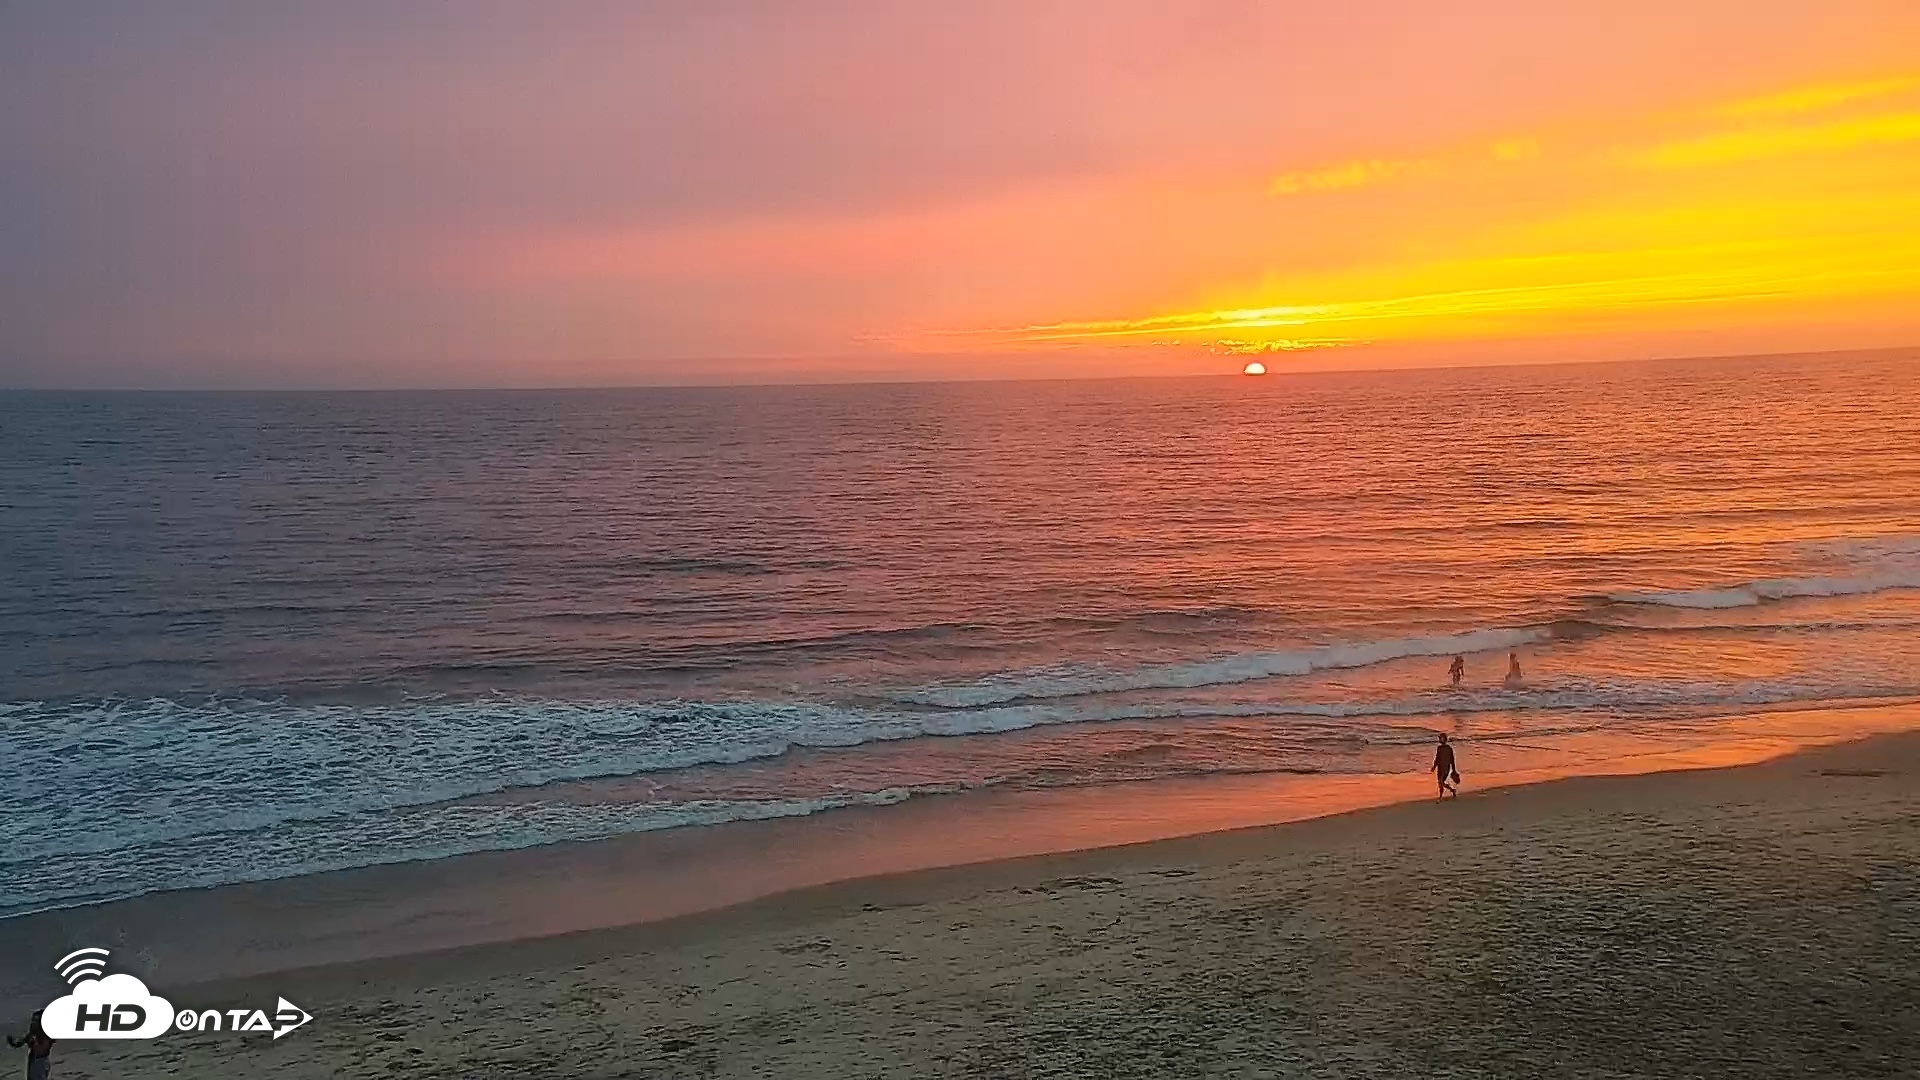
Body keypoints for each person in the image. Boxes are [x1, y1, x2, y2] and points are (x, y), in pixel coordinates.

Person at [8, 1009, 51, 1080]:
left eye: (35, 1021)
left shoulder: (45, 1035)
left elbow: (42, 1047)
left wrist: (33, 1041)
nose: (32, 1023)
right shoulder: (36, 1034)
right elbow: (21, 1042)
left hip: (40, 1061)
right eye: (33, 1021)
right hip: (36, 1060)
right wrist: (15, 1043)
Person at [1433, 733, 1459, 798]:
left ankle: (1441, 795)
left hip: (1446, 768)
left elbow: (1452, 759)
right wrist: (1434, 766)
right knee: (1440, 782)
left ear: (1444, 739)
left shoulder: (1449, 748)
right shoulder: (1439, 748)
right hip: (1440, 767)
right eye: (1439, 738)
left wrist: (1453, 769)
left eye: (1441, 738)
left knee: (1441, 782)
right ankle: (1452, 790)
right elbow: (1437, 758)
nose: (1440, 740)